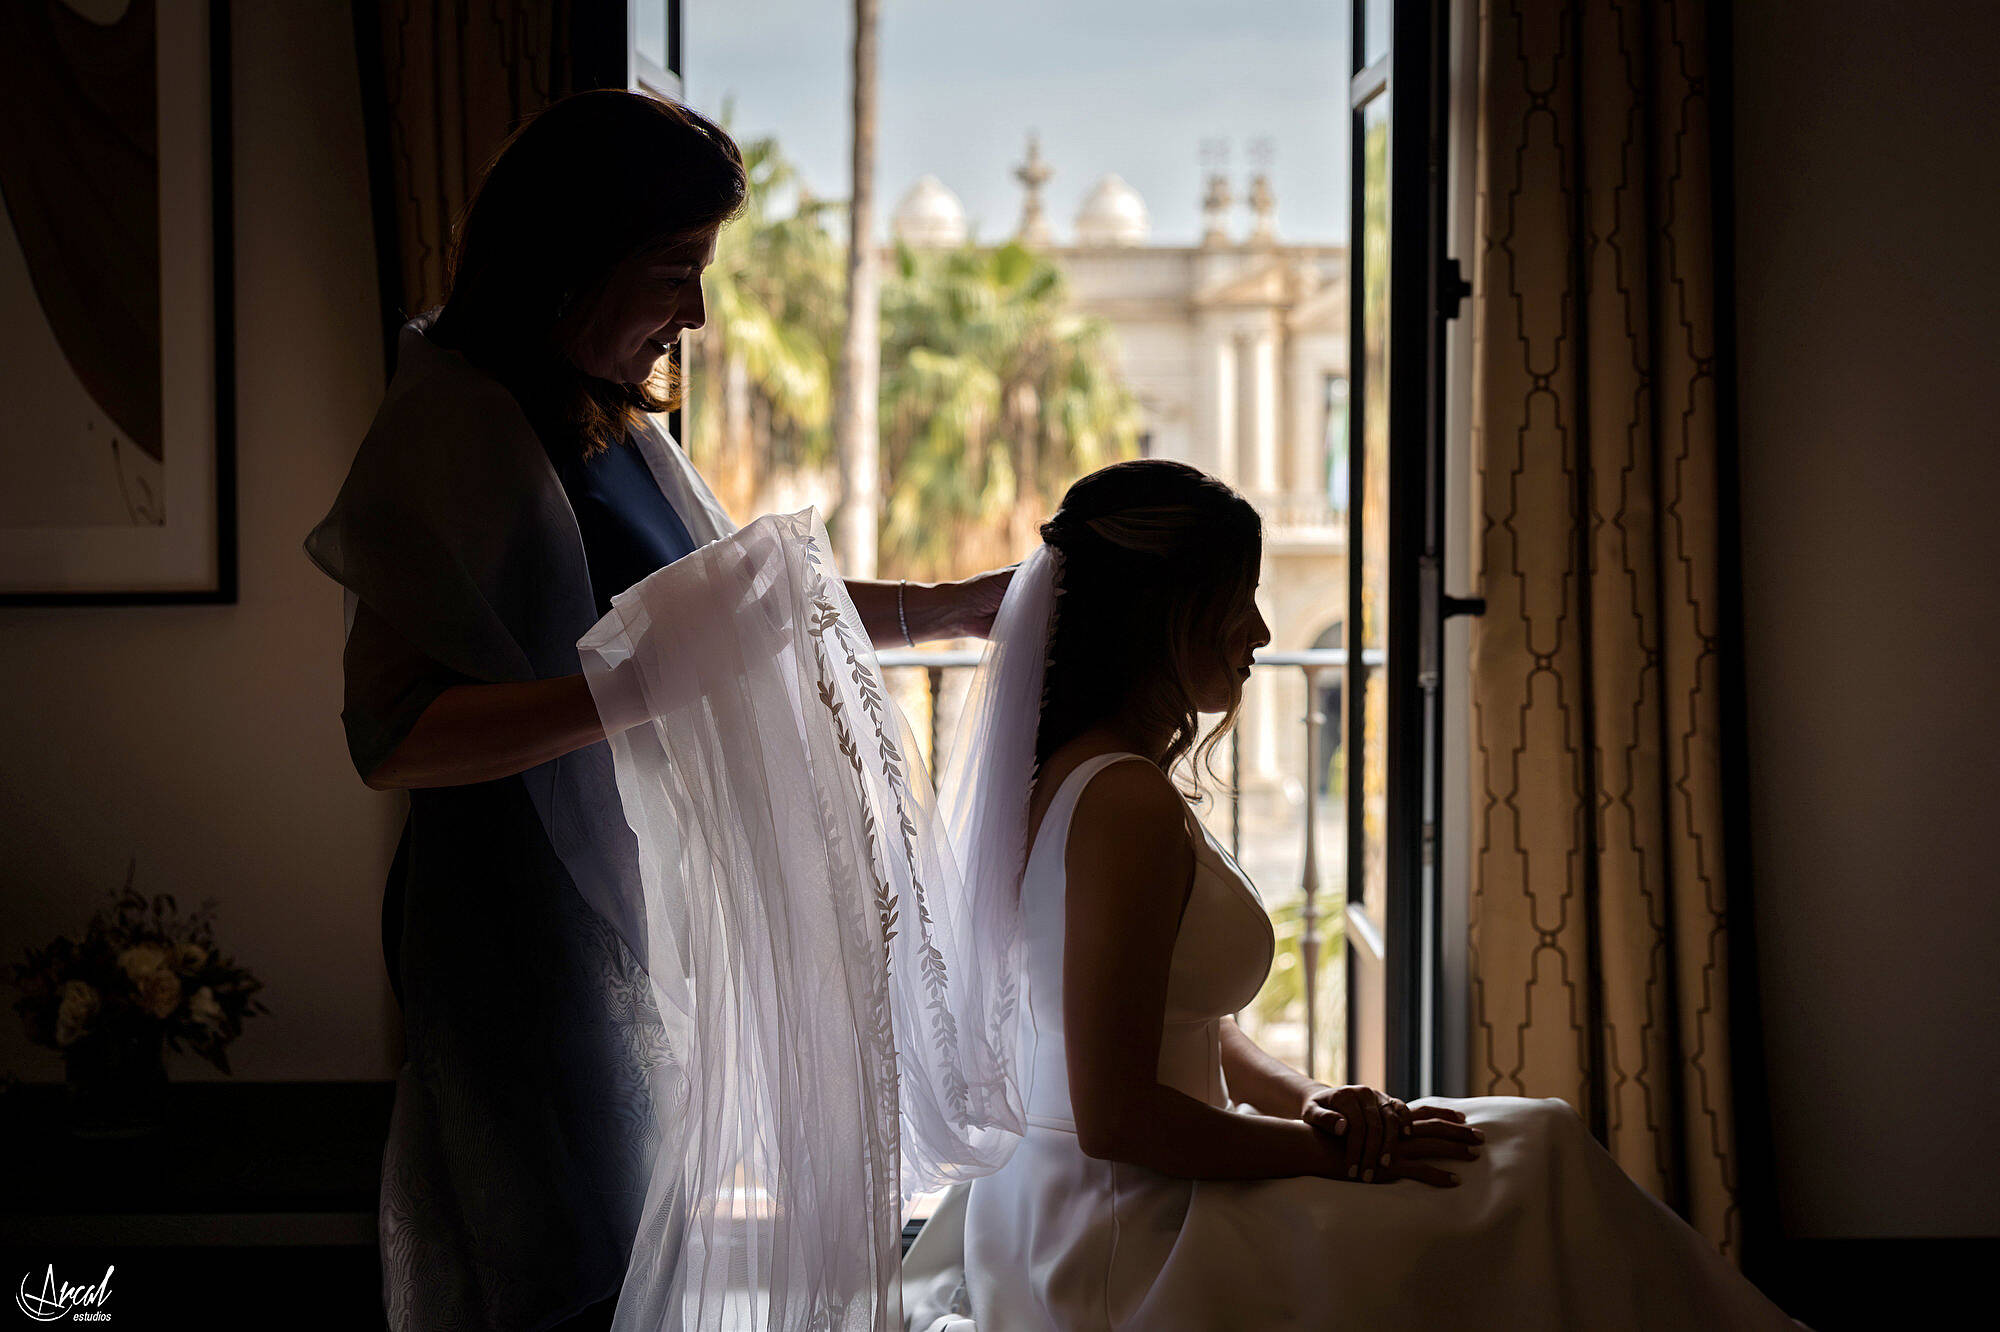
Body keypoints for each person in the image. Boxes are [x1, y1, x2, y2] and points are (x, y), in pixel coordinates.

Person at [304, 90, 1011, 1332]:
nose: (694, 311)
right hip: (515, 939)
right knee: (561, 1277)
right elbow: (393, 738)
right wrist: (626, 693)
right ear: (569, 256)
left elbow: (739, 615)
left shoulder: (607, 423)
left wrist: (949, 609)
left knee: (622, 1265)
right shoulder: (454, 427)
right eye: (673, 268)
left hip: (613, 916)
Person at [900, 459, 1802, 1330]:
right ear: (1163, 615)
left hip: (1097, 1199)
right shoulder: (1120, 801)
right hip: (1123, 1241)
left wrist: (1314, 1100)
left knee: (1534, 1147)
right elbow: (1117, 1118)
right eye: (1236, 598)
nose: (1258, 631)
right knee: (1537, 1163)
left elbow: (1188, 1028)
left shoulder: (1083, 777)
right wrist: (1335, 1157)